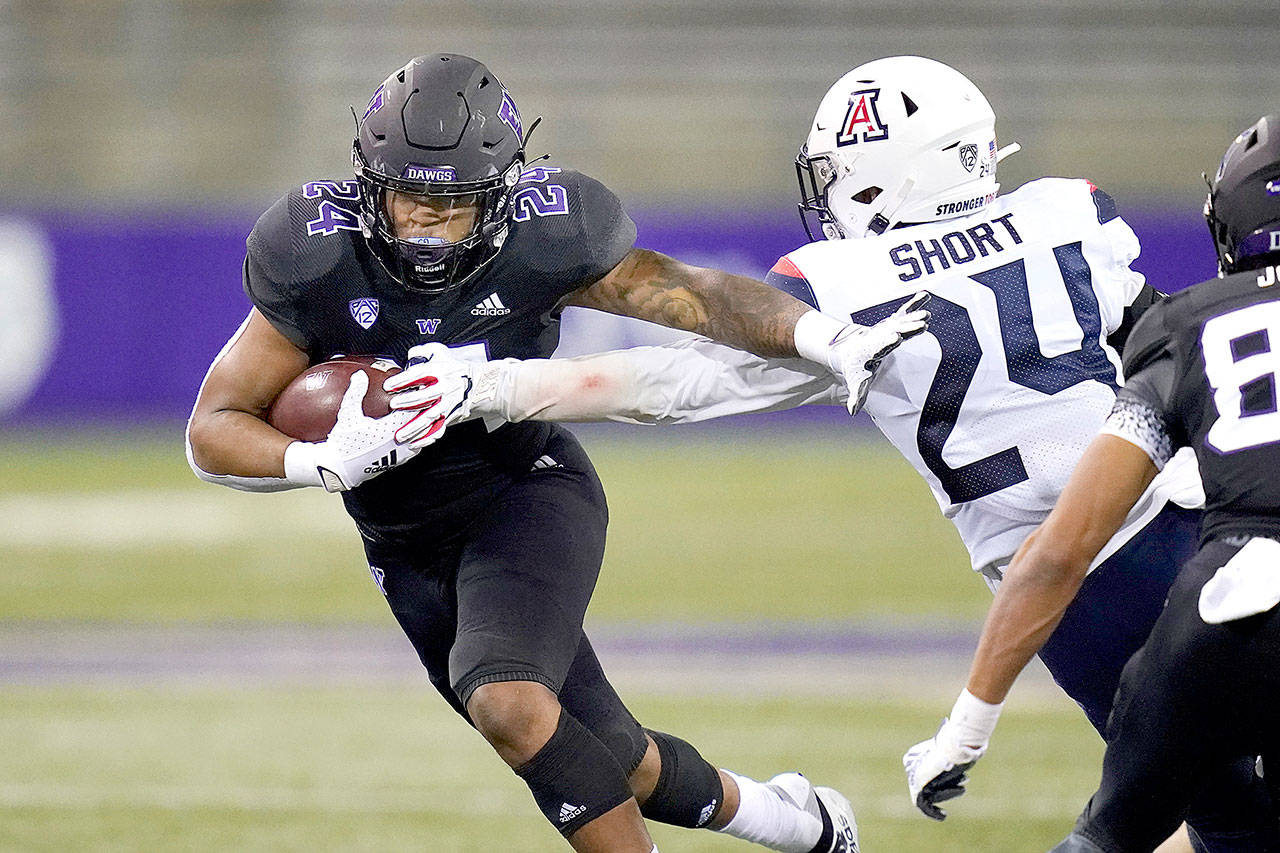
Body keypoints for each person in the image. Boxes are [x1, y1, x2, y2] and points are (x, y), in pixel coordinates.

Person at [388, 56, 1274, 851]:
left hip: (1081, 592)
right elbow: (1173, 357)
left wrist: (498, 387)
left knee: (1217, 815)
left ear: (892, 174)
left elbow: (679, 384)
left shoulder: (850, 286)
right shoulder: (1069, 215)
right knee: (1215, 799)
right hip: (1203, 530)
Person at [184, 53, 920, 853]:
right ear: (368, 181)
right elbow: (215, 424)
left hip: (522, 489)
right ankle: (805, 823)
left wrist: (820, 335)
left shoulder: (549, 234)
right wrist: (323, 462)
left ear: (499, 195)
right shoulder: (316, 250)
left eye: (453, 201)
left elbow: (698, 297)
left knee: (508, 701)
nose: (425, 219)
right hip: (402, 543)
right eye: (405, 194)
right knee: (614, 756)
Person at [904, 115, 1280, 852]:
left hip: (1223, 612)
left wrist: (967, 727)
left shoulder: (1188, 329)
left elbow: (1061, 549)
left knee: (1113, 837)